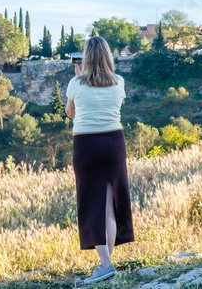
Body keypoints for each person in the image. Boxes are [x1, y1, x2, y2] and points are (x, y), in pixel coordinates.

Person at [65, 36, 135, 284]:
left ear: (86, 58)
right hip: (114, 143)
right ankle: (106, 264)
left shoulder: (76, 82)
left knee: (90, 204)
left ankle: (106, 265)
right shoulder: (119, 81)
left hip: (86, 144)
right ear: (107, 56)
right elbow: (115, 107)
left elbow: (71, 113)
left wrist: (80, 75)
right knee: (109, 205)